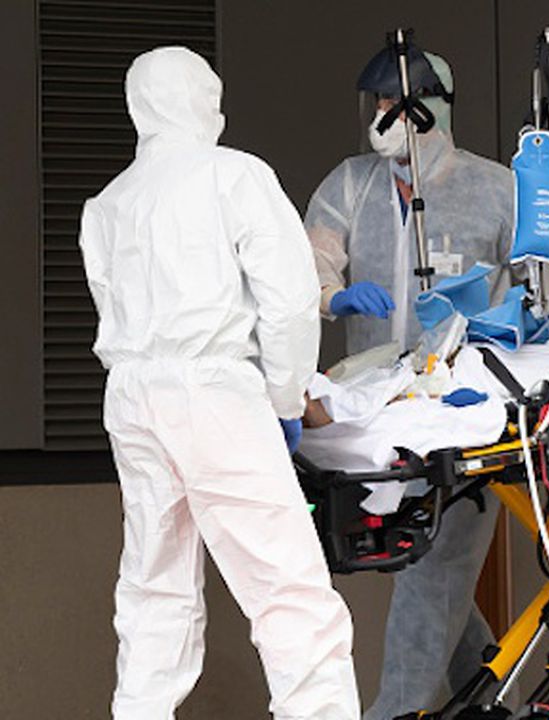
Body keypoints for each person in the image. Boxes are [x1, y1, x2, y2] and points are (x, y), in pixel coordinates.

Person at [79, 47, 359, 719]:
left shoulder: (108, 203)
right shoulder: (235, 175)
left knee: (154, 585)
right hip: (213, 394)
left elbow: (108, 301)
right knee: (288, 588)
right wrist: (286, 397)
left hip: (132, 396)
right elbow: (290, 300)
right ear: (204, 101)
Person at [304, 44, 514, 719]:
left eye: (394, 102)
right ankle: (494, 707)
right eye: (378, 102)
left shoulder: (494, 190)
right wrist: (333, 297)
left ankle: (394, 712)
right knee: (429, 570)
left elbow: (537, 286)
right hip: (379, 411)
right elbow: (310, 263)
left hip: (461, 409)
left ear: (432, 107)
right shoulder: (352, 184)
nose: (382, 113)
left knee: (438, 568)